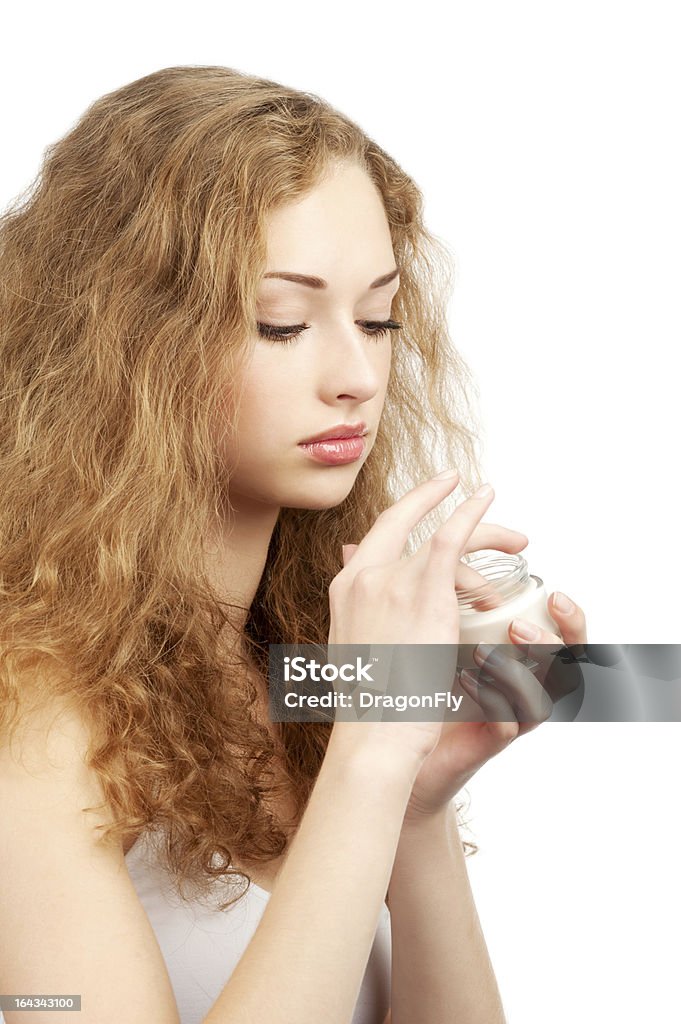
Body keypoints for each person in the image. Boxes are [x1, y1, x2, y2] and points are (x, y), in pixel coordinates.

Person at [0, 65, 588, 1024]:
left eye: (377, 317)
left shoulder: (302, 669)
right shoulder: (26, 710)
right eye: (280, 323)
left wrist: (414, 803)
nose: (356, 375)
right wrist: (368, 754)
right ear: (125, 344)